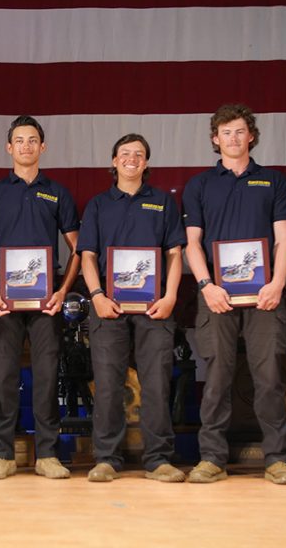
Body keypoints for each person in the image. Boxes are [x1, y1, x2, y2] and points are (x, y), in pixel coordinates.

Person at [181, 105, 286, 485]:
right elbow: (193, 243)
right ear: (215, 138)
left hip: (266, 294)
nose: (233, 138)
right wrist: (206, 285)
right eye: (225, 132)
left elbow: (283, 239)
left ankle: (277, 458)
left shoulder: (274, 182)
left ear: (251, 136)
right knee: (216, 376)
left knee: (268, 377)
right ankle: (212, 458)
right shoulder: (199, 185)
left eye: (240, 131)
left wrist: (277, 283)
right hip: (216, 296)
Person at [0, 116, 80, 480]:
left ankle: (48, 454)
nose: (26, 146)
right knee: (3, 375)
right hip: (5, 300)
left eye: (33, 140)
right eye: (19, 141)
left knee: (48, 374)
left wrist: (63, 291)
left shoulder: (58, 192)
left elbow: (78, 248)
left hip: (46, 300)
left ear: (42, 147)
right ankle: (3, 454)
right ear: (9, 148)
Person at [77, 134, 186, 483]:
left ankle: (158, 459)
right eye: (125, 154)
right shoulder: (97, 205)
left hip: (155, 306)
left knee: (156, 383)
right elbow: (87, 256)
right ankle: (107, 458)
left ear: (147, 163)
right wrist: (96, 295)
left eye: (139, 154)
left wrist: (170, 297)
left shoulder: (163, 204)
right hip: (108, 305)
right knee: (108, 384)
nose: (132, 159)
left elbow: (174, 254)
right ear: (113, 161)